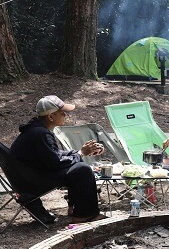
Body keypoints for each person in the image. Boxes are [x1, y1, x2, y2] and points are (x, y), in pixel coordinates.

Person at [9, 95, 107, 224]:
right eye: (62, 113)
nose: (65, 115)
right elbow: (55, 162)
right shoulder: (41, 133)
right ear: (50, 117)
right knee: (82, 170)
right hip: (31, 182)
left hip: (29, 176)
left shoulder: (35, 130)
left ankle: (74, 208)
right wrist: (81, 153)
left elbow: (53, 155)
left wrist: (78, 153)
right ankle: (84, 214)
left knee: (78, 165)